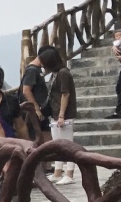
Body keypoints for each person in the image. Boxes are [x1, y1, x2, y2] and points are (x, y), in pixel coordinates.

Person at [45, 53, 77, 185]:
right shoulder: (54, 74)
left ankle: (69, 173)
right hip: (55, 113)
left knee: (68, 144)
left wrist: (62, 115)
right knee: (57, 143)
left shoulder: (63, 73)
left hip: (63, 114)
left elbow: (65, 94)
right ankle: (57, 172)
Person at [17, 49, 53, 144]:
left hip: (39, 111)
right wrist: (36, 109)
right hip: (34, 113)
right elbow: (26, 90)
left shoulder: (36, 70)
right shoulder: (32, 70)